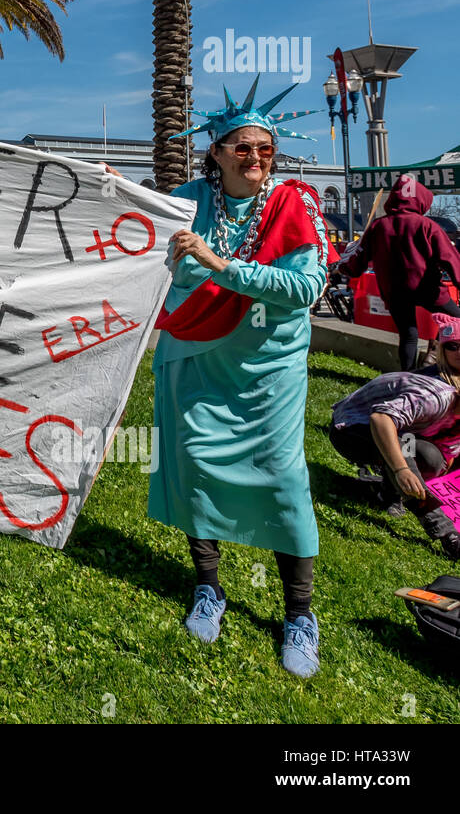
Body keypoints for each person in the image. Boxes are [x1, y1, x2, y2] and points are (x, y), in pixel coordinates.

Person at [150, 79, 329, 677]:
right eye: (243, 149)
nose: (256, 160)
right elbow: (144, 250)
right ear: (217, 151)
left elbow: (305, 288)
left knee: (282, 479)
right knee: (197, 464)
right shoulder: (188, 197)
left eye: (266, 150)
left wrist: (219, 265)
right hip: (197, 353)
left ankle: (300, 614)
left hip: (269, 365)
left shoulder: (295, 203)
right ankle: (209, 587)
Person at [328, 315, 460, 560]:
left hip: (401, 431)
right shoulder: (436, 394)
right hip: (352, 429)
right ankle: (448, 536)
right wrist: (400, 469)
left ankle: (384, 493)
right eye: (453, 345)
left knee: (430, 459)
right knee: (403, 449)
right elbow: (380, 419)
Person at [337, 175, 460, 370]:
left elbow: (358, 260)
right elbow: (451, 260)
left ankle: (407, 375)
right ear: (420, 199)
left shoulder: (378, 226)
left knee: (408, 334)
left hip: (395, 291)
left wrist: (343, 269)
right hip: (427, 287)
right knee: (456, 318)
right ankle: (434, 353)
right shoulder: (427, 226)